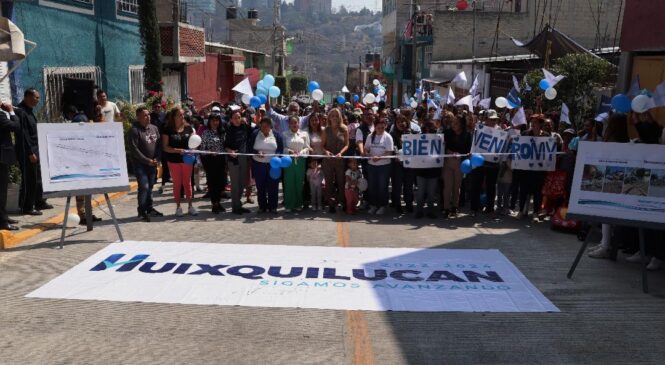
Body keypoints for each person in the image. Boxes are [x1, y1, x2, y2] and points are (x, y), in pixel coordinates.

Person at [15, 88, 51, 215]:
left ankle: (39, 201)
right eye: (36, 97)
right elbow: (23, 134)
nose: (38, 100)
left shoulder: (29, 111)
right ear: (28, 97)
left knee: (38, 177)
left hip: (36, 149)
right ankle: (27, 206)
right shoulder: (20, 111)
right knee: (29, 179)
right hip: (27, 152)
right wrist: (30, 153)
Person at [161, 106, 197, 217]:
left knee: (188, 183)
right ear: (173, 117)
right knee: (177, 184)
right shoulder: (167, 129)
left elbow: (194, 143)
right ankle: (178, 207)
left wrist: (193, 150)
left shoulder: (189, 128)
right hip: (173, 161)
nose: (182, 117)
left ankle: (190, 206)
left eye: (183, 114)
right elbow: (165, 147)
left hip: (187, 160)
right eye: (179, 115)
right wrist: (177, 151)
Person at [129, 106, 162, 222]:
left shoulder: (154, 128)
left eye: (148, 114)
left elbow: (159, 145)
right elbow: (134, 149)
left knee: (151, 186)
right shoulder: (135, 130)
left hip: (153, 163)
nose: (148, 117)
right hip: (140, 165)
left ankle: (149, 208)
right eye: (145, 115)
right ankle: (142, 210)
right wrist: (147, 160)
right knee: (144, 187)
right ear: (138, 118)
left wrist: (157, 158)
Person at [517, 114, 551, 220]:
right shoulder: (525, 134)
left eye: (535, 122)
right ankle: (521, 211)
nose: (533, 123)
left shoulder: (546, 136)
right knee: (523, 190)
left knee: (537, 192)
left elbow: (550, 151)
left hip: (539, 170)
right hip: (526, 169)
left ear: (540, 124)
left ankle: (535, 212)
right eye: (532, 121)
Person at [470, 109, 501, 216]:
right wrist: (472, 155)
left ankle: (490, 208)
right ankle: (474, 208)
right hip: (479, 161)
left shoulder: (500, 131)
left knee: (491, 187)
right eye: (490, 119)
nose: (493, 122)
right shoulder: (479, 129)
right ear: (486, 119)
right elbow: (474, 143)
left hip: (493, 163)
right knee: (476, 185)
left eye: (494, 120)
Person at [250, 117, 283, 213]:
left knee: (273, 186)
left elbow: (280, 148)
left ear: (270, 126)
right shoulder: (255, 134)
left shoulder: (277, 135)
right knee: (260, 186)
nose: (264, 127)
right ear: (260, 125)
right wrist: (256, 152)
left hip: (273, 166)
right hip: (258, 165)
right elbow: (249, 147)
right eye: (262, 125)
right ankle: (262, 206)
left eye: (267, 125)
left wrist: (276, 156)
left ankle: (273, 207)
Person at [442, 114, 471, 218]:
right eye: (453, 122)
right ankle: (446, 208)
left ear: (461, 124)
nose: (453, 125)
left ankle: (455, 207)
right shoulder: (447, 132)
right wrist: (450, 152)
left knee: (457, 187)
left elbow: (468, 149)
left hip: (460, 163)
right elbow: (443, 146)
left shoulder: (467, 134)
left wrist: (461, 154)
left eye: (456, 123)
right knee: (448, 186)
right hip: (448, 162)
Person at [321, 108, 349, 213]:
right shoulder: (326, 130)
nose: (334, 117)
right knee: (329, 182)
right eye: (332, 115)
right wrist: (326, 152)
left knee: (341, 181)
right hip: (328, 160)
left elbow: (347, 144)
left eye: (336, 115)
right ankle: (331, 203)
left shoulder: (344, 129)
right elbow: (322, 145)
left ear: (339, 117)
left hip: (340, 159)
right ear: (329, 117)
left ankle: (342, 202)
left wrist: (341, 153)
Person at [364, 117, 394, 215]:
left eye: (382, 128)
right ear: (375, 127)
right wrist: (369, 155)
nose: (380, 130)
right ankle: (373, 205)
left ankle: (382, 205)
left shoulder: (388, 137)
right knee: (372, 186)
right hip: (371, 165)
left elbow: (389, 151)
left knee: (382, 186)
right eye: (378, 128)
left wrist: (379, 157)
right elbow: (366, 149)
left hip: (384, 166)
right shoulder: (370, 136)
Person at [225, 111, 252, 215]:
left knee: (241, 183)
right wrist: (229, 151)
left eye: (239, 117)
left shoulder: (245, 127)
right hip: (233, 159)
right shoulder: (228, 130)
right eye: (235, 118)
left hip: (244, 158)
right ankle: (235, 207)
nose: (237, 119)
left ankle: (238, 204)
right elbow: (225, 145)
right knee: (235, 184)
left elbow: (253, 132)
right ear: (231, 119)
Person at [390, 113, 417, 214]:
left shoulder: (412, 133)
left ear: (407, 122)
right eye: (398, 122)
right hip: (397, 165)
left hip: (410, 164)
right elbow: (392, 148)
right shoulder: (392, 135)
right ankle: (397, 204)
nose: (401, 124)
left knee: (409, 185)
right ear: (395, 124)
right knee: (397, 185)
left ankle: (409, 203)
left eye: (403, 121)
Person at [283, 116, 311, 212]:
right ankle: (289, 204)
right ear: (289, 124)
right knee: (289, 182)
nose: (294, 125)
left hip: (301, 160)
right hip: (288, 161)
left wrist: (301, 152)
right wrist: (289, 151)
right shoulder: (285, 134)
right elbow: (282, 148)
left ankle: (299, 203)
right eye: (292, 123)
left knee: (299, 183)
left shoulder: (304, 134)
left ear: (299, 123)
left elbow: (307, 147)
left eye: (296, 122)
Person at [200, 113, 226, 214]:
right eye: (213, 120)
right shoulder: (206, 133)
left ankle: (218, 202)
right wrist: (209, 151)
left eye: (217, 120)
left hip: (221, 160)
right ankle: (214, 204)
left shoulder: (222, 132)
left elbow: (224, 146)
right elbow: (202, 148)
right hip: (210, 161)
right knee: (212, 183)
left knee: (221, 183)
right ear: (209, 122)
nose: (215, 123)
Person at [414, 121, 440, 219]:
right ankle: (419, 210)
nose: (429, 130)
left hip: (433, 170)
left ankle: (430, 211)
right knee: (420, 192)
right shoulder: (418, 137)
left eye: (431, 128)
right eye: (427, 127)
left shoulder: (438, 138)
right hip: (421, 170)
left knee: (431, 192)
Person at [0, 100, 19, 231]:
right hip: (1, 158)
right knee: (1, 191)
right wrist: (11, 111)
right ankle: (2, 221)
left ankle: (3, 216)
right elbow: (16, 126)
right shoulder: (1, 116)